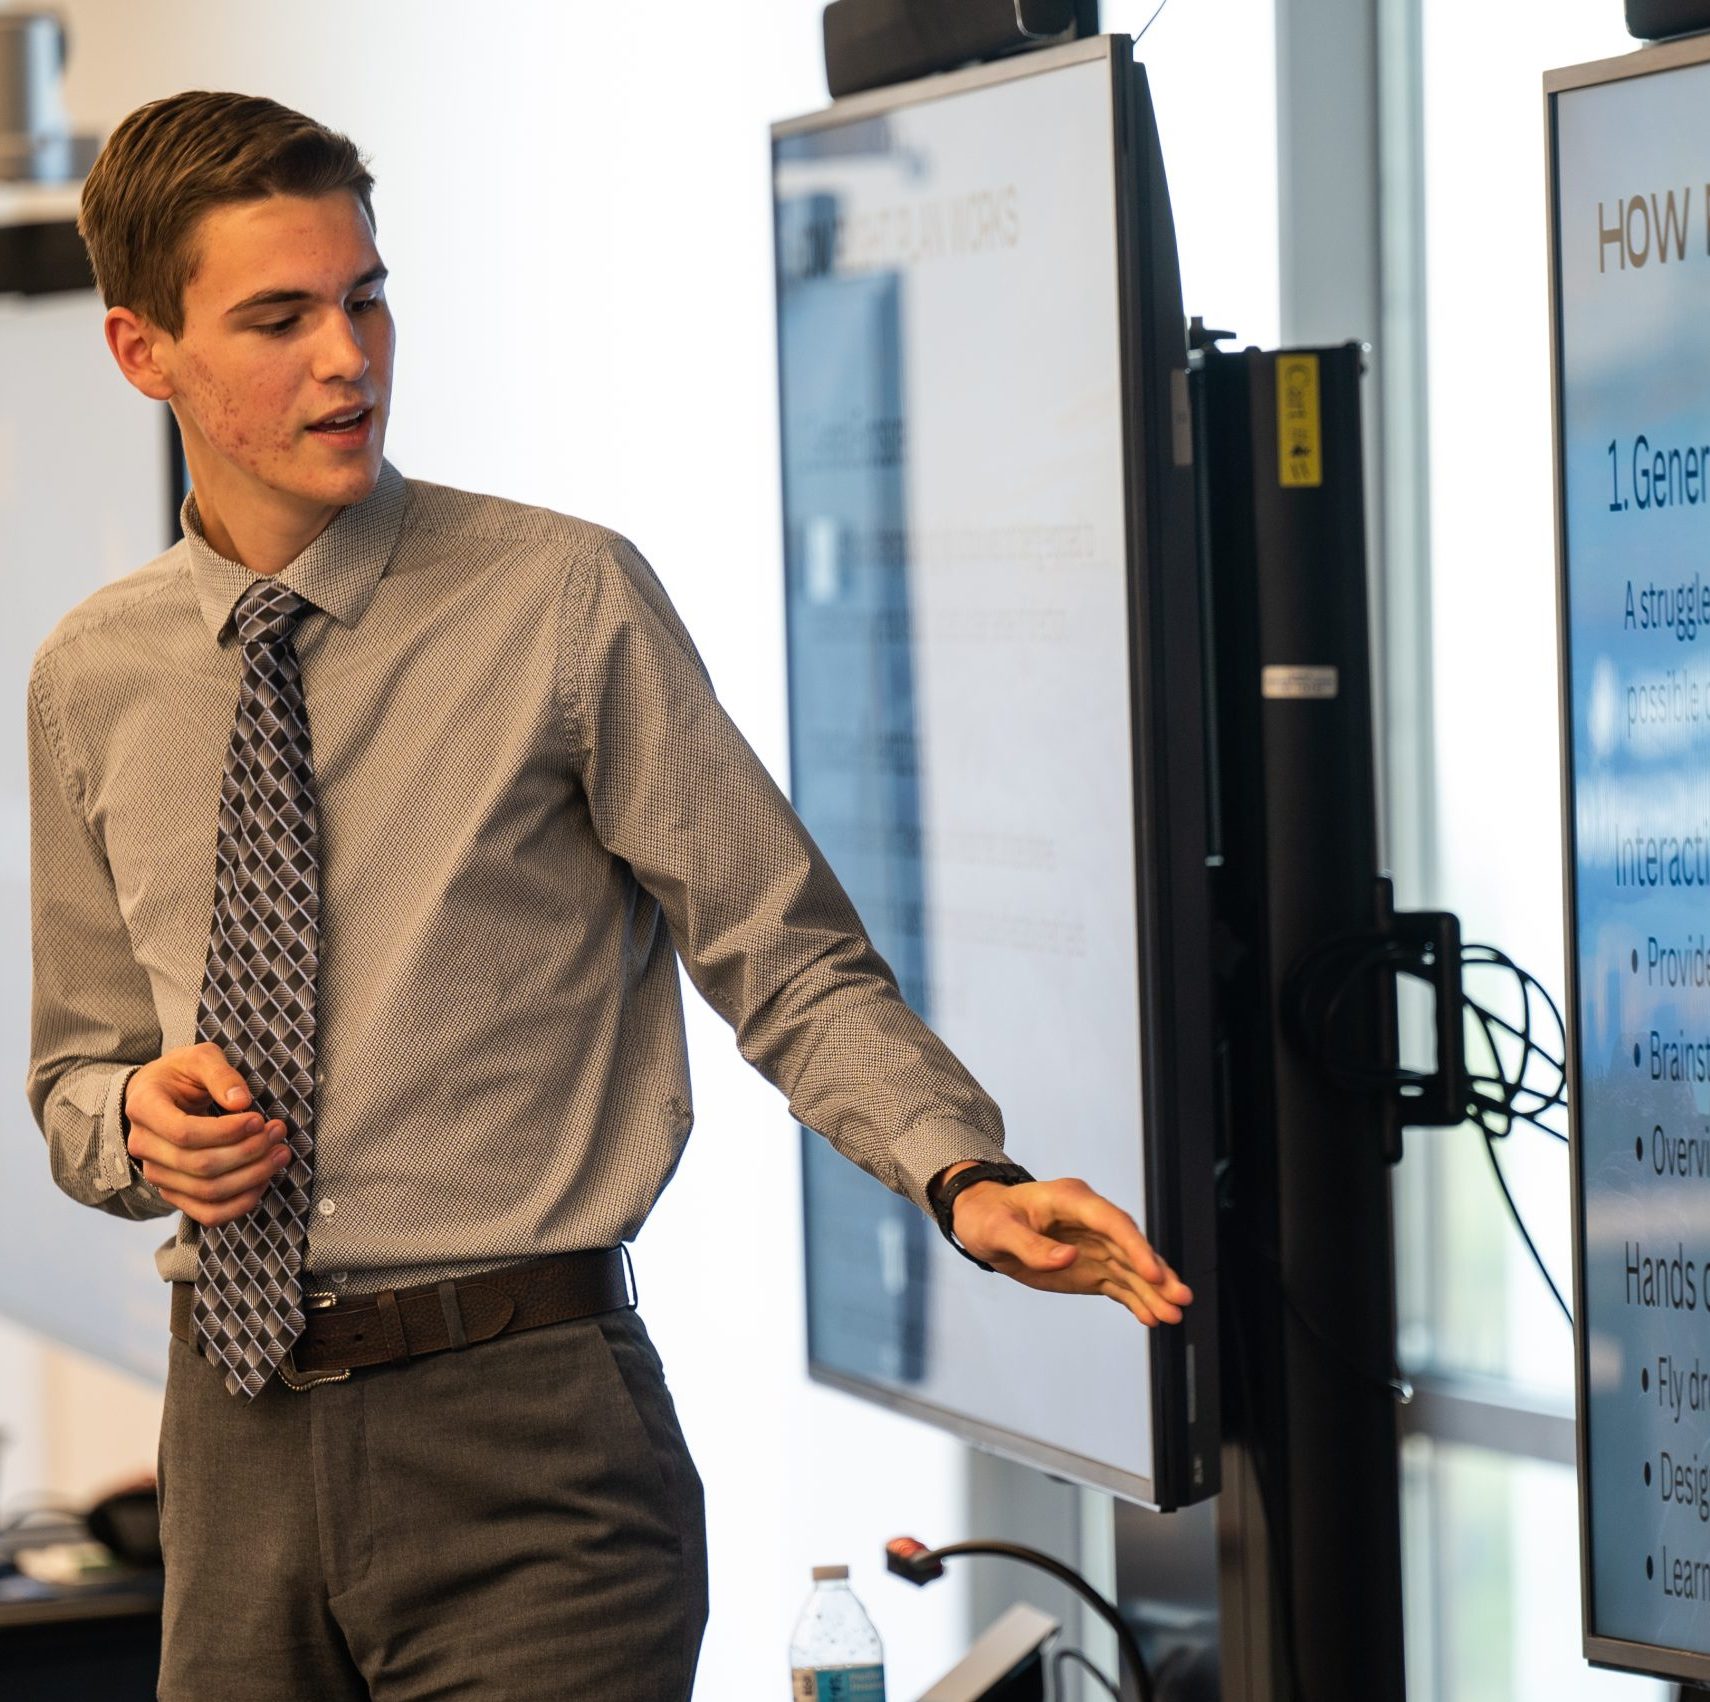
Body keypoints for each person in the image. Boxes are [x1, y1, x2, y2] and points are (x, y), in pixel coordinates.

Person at [25, 90, 1195, 1700]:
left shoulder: (561, 599)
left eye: (365, 296)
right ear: (143, 353)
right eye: (279, 317)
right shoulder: (93, 675)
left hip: (530, 1445)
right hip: (229, 1443)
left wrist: (959, 1175)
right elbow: (76, 1073)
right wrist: (136, 1122)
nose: (348, 356)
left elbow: (781, 955)